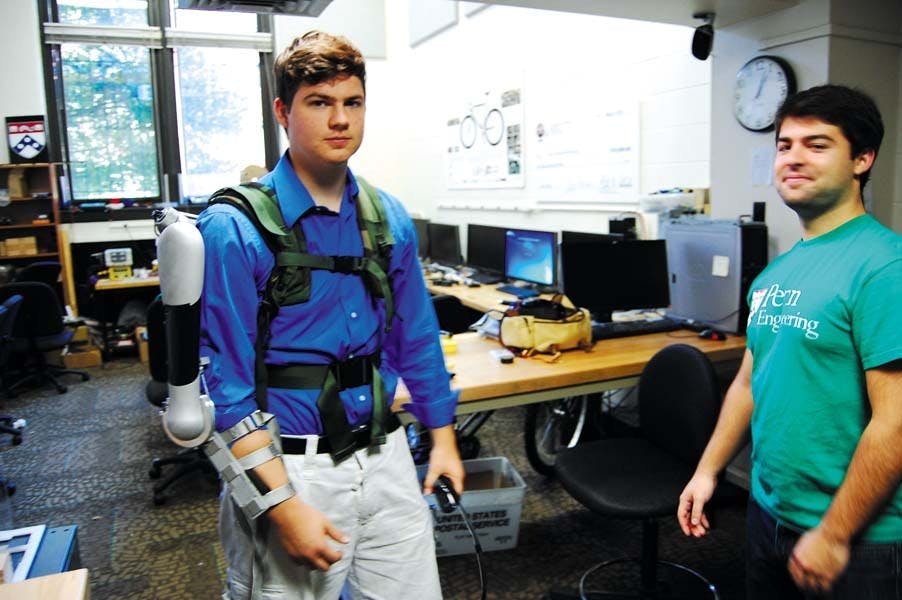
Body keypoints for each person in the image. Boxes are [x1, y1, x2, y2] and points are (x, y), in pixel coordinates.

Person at [196, 30, 464, 599]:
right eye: (319, 103)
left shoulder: (386, 215)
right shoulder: (234, 227)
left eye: (353, 103)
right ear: (282, 112)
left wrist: (442, 439)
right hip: (291, 467)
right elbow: (224, 388)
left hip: (387, 453)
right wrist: (283, 505)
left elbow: (416, 335)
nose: (340, 119)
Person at [677, 84, 902, 598]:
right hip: (769, 514)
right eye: (785, 144)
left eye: (817, 145)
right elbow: (748, 384)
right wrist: (708, 471)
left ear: (862, 160)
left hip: (858, 535)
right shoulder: (776, 274)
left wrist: (837, 533)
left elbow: (896, 422)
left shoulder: (886, 267)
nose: (793, 158)